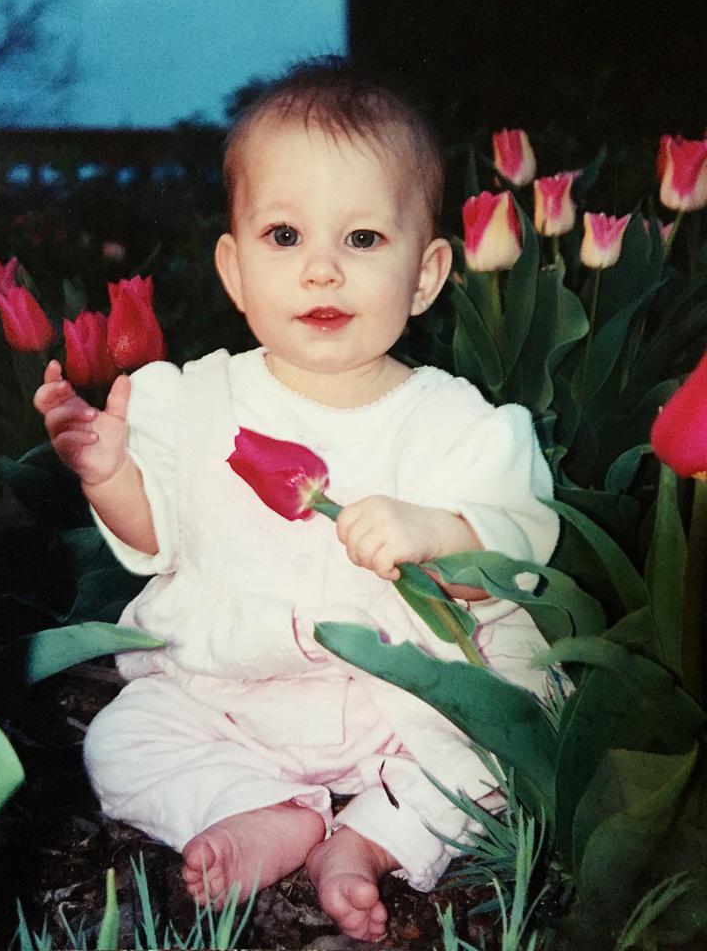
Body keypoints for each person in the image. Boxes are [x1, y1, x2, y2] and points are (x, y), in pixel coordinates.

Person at [34, 58, 559, 942]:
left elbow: (505, 562)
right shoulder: (196, 399)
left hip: (403, 693)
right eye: (284, 236)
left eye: (363, 239)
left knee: (505, 742)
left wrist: (437, 532)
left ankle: (373, 838)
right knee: (123, 740)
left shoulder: (458, 422)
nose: (321, 270)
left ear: (426, 274)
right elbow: (158, 535)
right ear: (235, 270)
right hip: (234, 688)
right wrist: (111, 476)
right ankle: (262, 811)